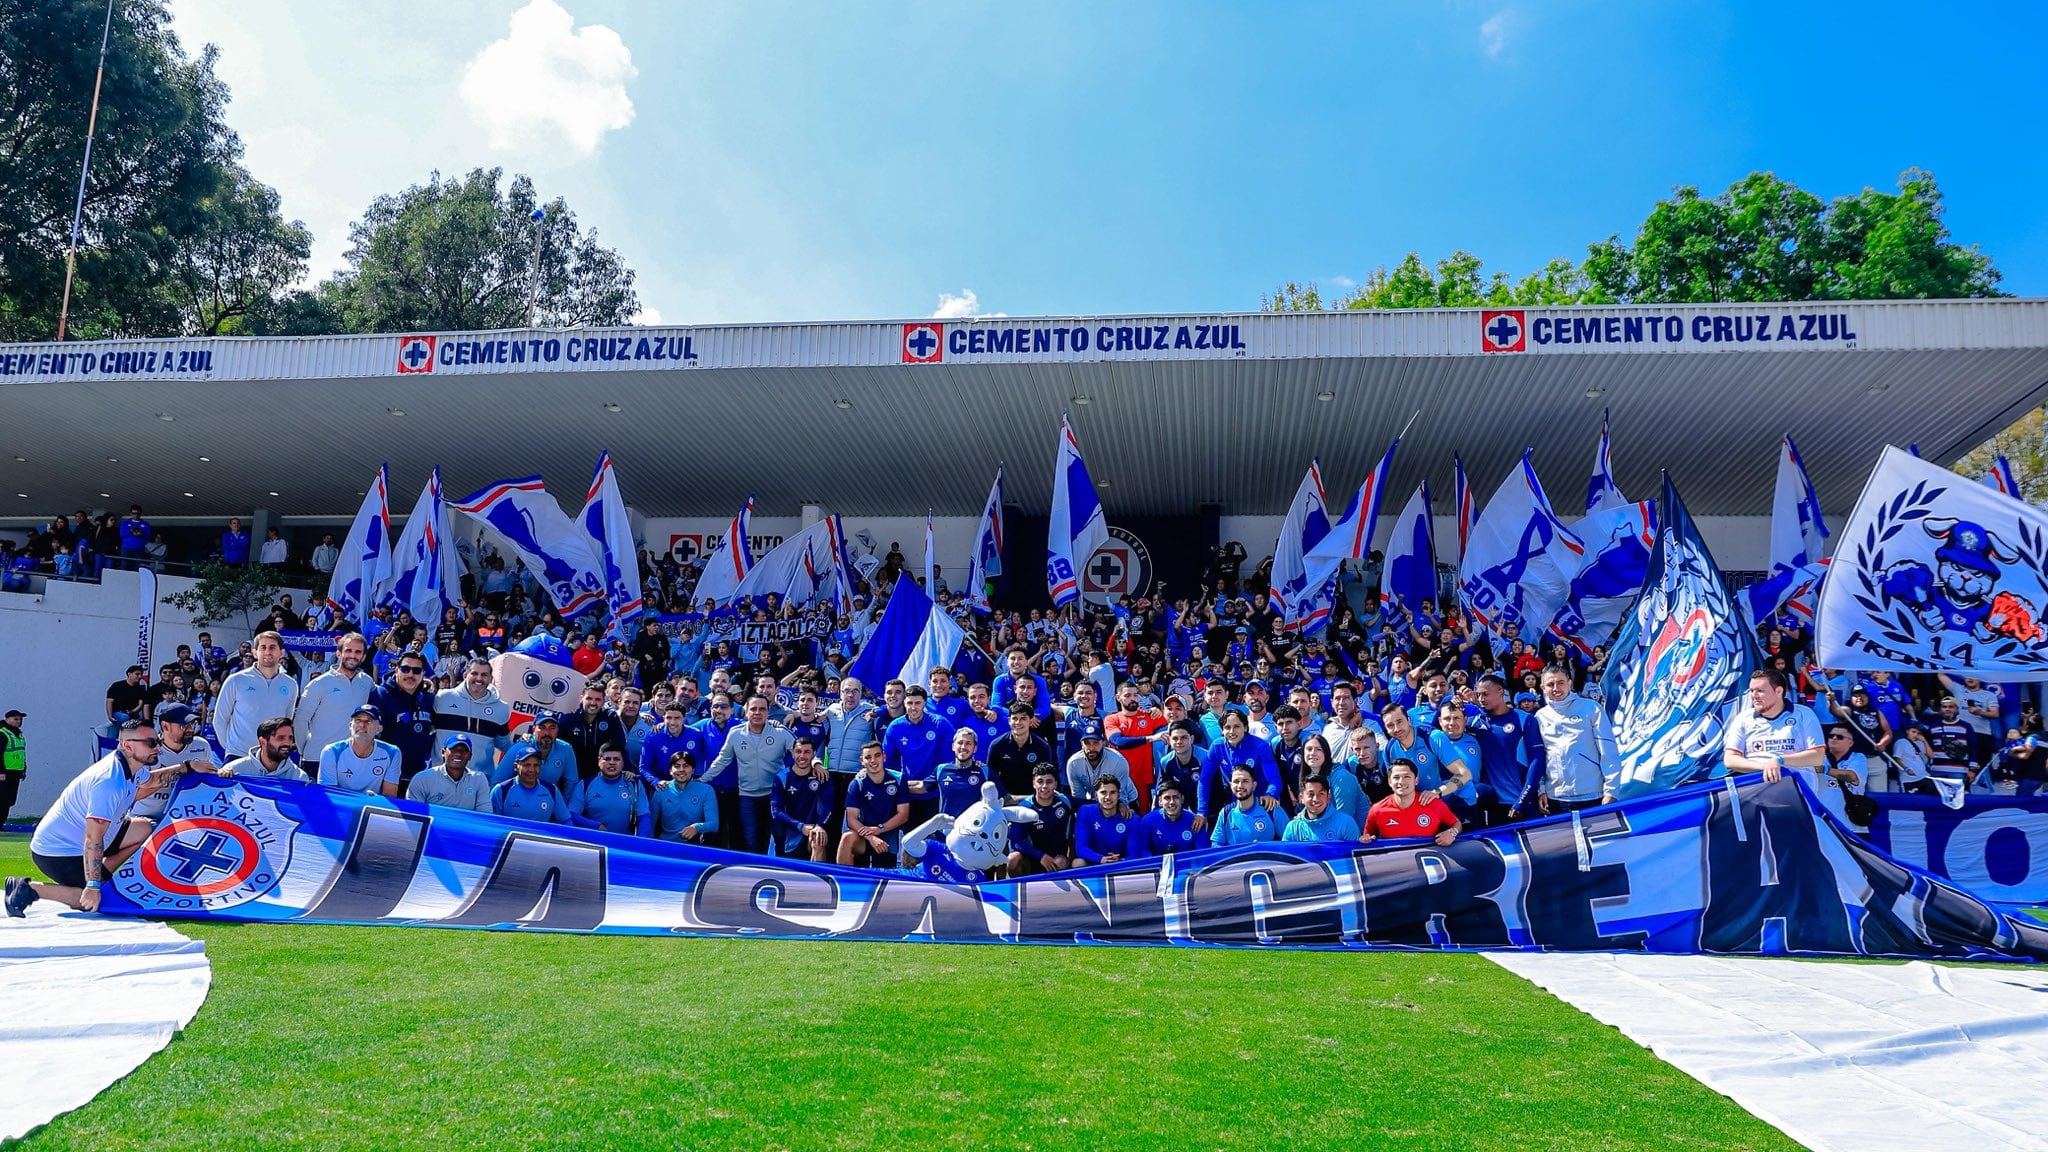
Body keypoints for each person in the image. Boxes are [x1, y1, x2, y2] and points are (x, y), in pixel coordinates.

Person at [7, 719, 209, 916]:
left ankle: (103, 877)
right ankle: (28, 888)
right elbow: (92, 838)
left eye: (156, 740)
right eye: (151, 743)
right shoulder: (109, 781)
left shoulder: (132, 766)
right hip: (58, 853)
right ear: (128, 746)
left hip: (92, 838)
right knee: (97, 900)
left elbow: (149, 783)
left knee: (146, 829)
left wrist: (187, 767)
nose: (157, 747)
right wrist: (93, 886)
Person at [1724, 666, 1842, 815]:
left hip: (1798, 799)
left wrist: (1780, 760)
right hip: (1755, 798)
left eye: (1760, 690)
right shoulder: (1743, 718)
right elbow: (1730, 760)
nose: (1754, 695)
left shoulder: (1803, 714)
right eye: (1752, 691)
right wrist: (1765, 766)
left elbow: (1817, 757)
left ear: (1778, 691)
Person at [705, 695, 795, 853]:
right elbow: (722, 761)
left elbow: (801, 752)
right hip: (747, 795)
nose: (757, 712)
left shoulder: (780, 732)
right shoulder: (736, 734)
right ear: (746, 712)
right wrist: (702, 780)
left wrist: (816, 764)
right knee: (750, 838)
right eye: (753, 709)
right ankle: (754, 873)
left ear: (768, 712)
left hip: (774, 795)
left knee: (776, 836)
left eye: (762, 709)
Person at [1524, 665, 1618, 814]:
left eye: (1560, 682)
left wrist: (1611, 791)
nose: (1556, 688)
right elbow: (1540, 757)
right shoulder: (1539, 716)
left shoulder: (1591, 708)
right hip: (1557, 798)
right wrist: (1541, 790)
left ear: (1569, 683)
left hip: (1593, 795)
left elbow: (1608, 751)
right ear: (1542, 687)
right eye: (1550, 684)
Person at [130, 703, 220, 820]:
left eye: (193, 724)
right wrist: (187, 767)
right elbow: (135, 792)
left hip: (187, 817)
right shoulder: (147, 750)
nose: (191, 729)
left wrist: (223, 772)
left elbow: (211, 778)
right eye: (184, 725)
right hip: (146, 817)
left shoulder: (201, 745)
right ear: (165, 726)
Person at [296, 633, 374, 756]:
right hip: (317, 757)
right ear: (338, 653)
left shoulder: (367, 682)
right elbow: (301, 719)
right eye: (348, 651)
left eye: (358, 652)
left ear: (363, 657)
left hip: (352, 758)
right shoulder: (319, 683)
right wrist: (304, 751)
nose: (353, 656)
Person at [884, 685, 951, 829]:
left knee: (933, 838)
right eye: (909, 703)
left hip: (934, 792)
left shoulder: (940, 723)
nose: (913, 707)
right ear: (904, 703)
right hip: (907, 792)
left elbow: (952, 756)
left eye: (917, 703)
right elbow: (885, 758)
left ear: (925, 703)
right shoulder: (895, 727)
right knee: (909, 840)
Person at [1199, 708, 1283, 822]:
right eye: (1227, 727)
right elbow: (1204, 780)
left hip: (1262, 803)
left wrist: (1270, 794)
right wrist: (1201, 812)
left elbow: (1274, 779)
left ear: (1245, 728)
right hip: (1236, 804)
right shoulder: (1217, 746)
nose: (1232, 732)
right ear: (1222, 730)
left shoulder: (1260, 746)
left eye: (1237, 727)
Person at [432, 657, 512, 776]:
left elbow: (504, 744)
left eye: (484, 675)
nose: (479, 678)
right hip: (439, 777)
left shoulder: (501, 708)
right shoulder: (442, 698)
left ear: (491, 679)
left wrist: (525, 742)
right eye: (474, 673)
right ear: (465, 675)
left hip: (479, 780)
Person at [838, 741, 909, 867]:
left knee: (884, 874)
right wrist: (871, 837)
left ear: (884, 757)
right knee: (847, 838)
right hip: (864, 836)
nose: (873, 761)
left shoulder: (898, 779)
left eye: (877, 755)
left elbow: (903, 814)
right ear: (862, 760)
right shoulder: (857, 783)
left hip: (888, 835)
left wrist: (879, 829)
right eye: (868, 757)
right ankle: (843, 882)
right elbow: (851, 819)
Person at [1360, 761, 1461, 846]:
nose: (1401, 782)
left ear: (1416, 781)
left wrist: (1451, 833)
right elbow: (1367, 837)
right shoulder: (1377, 810)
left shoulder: (1434, 804)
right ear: (1389, 782)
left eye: (1407, 777)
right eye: (1396, 777)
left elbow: (1456, 823)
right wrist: (1365, 839)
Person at [318, 704, 404, 797]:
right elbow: (329, 795)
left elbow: (389, 796)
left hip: (373, 806)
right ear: (350, 726)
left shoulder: (393, 753)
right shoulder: (331, 752)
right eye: (358, 720)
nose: (362, 725)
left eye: (369, 721)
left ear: (379, 728)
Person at [769, 735, 834, 860]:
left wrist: (820, 825)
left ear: (814, 754)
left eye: (807, 752)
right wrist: (800, 826)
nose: (802, 756)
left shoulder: (822, 776)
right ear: (792, 753)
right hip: (790, 832)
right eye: (798, 751)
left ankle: (816, 878)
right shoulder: (782, 777)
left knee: (818, 838)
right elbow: (776, 812)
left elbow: (829, 806)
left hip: (813, 830)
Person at [567, 745, 651, 835]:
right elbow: (572, 814)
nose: (612, 762)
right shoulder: (585, 784)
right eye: (607, 759)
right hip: (594, 843)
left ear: (623, 763)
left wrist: (640, 842)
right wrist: (596, 826)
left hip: (624, 843)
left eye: (616, 759)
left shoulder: (634, 784)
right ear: (599, 761)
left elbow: (644, 816)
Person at [1006, 766, 1073, 875]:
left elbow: (1092, 804)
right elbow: (1015, 841)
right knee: (1013, 858)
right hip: (1030, 859)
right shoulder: (1023, 808)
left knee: (1061, 862)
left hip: (1055, 860)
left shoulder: (1065, 801)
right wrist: (1040, 856)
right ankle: (1018, 890)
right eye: (1040, 781)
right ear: (1033, 783)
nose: (1044, 786)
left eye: (1049, 782)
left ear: (1056, 784)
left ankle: (1059, 891)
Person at [1063, 717, 1136, 811]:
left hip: (1127, 798)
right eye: (1087, 743)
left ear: (1104, 743)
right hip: (1095, 800)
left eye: (1096, 743)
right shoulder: (1073, 763)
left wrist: (1122, 806)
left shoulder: (1118, 761)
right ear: (1082, 744)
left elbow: (1122, 794)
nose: (1091, 748)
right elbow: (1078, 796)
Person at [405, 735, 493, 812]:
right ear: (443, 753)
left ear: (470, 756)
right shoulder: (423, 779)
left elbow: (485, 815)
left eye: (464, 750)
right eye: (453, 749)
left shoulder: (479, 779)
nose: (458, 753)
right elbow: (413, 815)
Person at [560, 684, 626, 783]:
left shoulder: (610, 718)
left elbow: (619, 745)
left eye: (598, 699)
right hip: (572, 774)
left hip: (602, 775)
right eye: (589, 698)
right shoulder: (569, 719)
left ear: (603, 701)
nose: (593, 703)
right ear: (581, 699)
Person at [491, 747, 577, 824]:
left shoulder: (551, 790)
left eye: (536, 765)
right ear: (516, 766)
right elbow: (490, 822)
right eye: (526, 765)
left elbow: (566, 821)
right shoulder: (502, 790)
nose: (532, 770)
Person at [988, 703, 1056, 799]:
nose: (1018, 722)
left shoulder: (1042, 746)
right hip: (1005, 799)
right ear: (1009, 721)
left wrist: (1035, 798)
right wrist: (1004, 796)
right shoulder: (997, 745)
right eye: (1014, 718)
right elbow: (992, 776)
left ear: (1031, 721)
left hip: (1033, 799)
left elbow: (1046, 776)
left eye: (1023, 718)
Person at [499, 713, 579, 791]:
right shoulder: (520, 747)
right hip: (517, 800)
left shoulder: (566, 749)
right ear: (533, 729)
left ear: (557, 730)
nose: (547, 733)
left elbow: (572, 784)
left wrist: (562, 804)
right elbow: (498, 781)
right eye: (542, 727)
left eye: (552, 728)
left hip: (548, 800)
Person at [652, 751, 719, 843]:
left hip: (695, 845)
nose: (681, 769)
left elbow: (714, 825)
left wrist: (696, 827)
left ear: (693, 770)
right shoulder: (662, 790)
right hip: (668, 844)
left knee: (711, 837)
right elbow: (650, 823)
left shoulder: (706, 790)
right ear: (670, 771)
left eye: (686, 766)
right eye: (677, 766)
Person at [1130, 779, 1208, 857]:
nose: (1171, 802)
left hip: (1189, 868)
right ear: (1160, 801)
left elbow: (1202, 854)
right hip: (1158, 867)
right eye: (1167, 798)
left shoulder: (1195, 821)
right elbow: (1144, 850)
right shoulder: (1148, 821)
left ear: (1182, 799)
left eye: (1176, 797)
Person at [1212, 765, 1287, 845]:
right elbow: (1217, 845)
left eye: (1245, 781)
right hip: (1239, 857)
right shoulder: (1225, 813)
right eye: (1236, 781)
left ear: (1254, 785)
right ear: (1231, 786)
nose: (1240, 786)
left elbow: (1290, 840)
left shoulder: (1271, 808)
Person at [220, 717, 309, 781]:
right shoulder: (234, 770)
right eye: (281, 738)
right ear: (263, 742)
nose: (287, 743)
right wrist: (222, 777)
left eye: (290, 738)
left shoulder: (299, 777)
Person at [1282, 774, 1364, 842]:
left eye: (1321, 794)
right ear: (1301, 798)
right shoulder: (1293, 827)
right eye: (1311, 794)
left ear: (1328, 797)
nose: (1315, 799)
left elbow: (1355, 857)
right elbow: (1285, 857)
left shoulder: (1346, 823)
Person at [1073, 776, 1135, 866]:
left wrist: (1120, 860)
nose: (1108, 797)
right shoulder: (1085, 811)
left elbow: (1134, 854)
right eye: (1103, 792)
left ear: (1119, 795)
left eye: (1112, 792)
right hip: (1095, 861)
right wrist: (1100, 859)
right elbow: (1081, 848)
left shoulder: (1132, 818)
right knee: (1078, 863)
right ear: (1096, 795)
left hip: (1121, 865)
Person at [936, 728, 992, 818]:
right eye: (960, 743)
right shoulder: (941, 770)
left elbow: (1007, 798)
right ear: (953, 746)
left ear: (975, 748)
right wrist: (904, 782)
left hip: (972, 830)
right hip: (946, 830)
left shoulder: (985, 771)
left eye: (968, 743)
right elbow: (920, 787)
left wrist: (1023, 799)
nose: (963, 747)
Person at [0, 708, 26, 828]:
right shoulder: (3, 733)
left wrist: (23, 769)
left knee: (9, 800)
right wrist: (1, 771)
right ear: (7, 719)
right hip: (5, 773)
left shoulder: (18, 734)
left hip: (15, 772)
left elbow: (20, 752)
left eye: (20, 719)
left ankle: (1, 824)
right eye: (15, 719)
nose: (18, 722)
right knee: (2, 800)